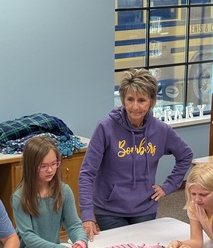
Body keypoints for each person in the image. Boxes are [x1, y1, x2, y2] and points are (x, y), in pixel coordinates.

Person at [78, 68, 192, 238]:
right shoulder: (105, 128)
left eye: (142, 100)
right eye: (130, 99)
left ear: (151, 101)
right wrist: (87, 215)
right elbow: (87, 173)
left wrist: (168, 186)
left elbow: (185, 155)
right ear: (123, 99)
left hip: (145, 208)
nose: (135, 107)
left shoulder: (161, 130)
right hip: (109, 210)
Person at [11, 134, 88, 248]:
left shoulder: (64, 191)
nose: (50, 170)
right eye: (43, 166)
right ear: (31, 167)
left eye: (54, 164)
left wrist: (81, 241)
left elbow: (73, 225)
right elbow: (28, 236)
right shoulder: (19, 197)